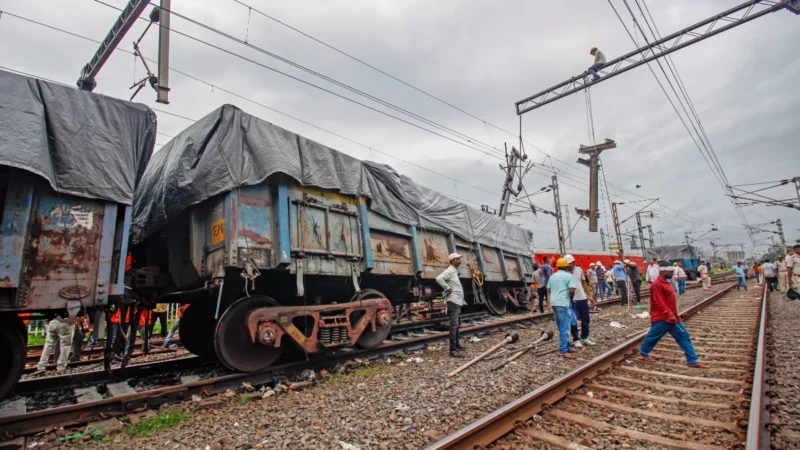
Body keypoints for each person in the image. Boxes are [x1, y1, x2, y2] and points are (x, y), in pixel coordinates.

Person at [638, 266, 705, 368]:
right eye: (671, 271)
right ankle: (643, 352)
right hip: (662, 317)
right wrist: (669, 313)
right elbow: (659, 301)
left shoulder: (666, 282)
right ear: (663, 271)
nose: (673, 273)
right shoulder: (656, 285)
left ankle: (692, 360)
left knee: (684, 336)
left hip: (672, 317)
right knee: (653, 336)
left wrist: (672, 314)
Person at [34, 303, 80, 374]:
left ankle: (41, 366)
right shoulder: (71, 302)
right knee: (65, 345)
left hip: (53, 322)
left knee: (48, 345)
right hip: (66, 322)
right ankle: (61, 367)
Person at [436, 253, 467, 357]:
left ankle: (457, 345)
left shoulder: (454, 271)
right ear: (453, 260)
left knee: (457, 324)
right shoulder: (449, 270)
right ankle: (452, 350)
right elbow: (439, 278)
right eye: (458, 259)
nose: (460, 260)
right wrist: (447, 288)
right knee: (454, 325)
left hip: (457, 301)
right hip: (453, 301)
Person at [547, 258, 577, 359]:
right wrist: (570, 299)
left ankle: (567, 347)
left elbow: (548, 289)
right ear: (566, 266)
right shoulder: (569, 276)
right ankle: (563, 350)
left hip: (554, 303)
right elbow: (572, 290)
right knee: (565, 327)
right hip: (563, 303)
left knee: (561, 327)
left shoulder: (552, 276)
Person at [565, 255, 596, 348]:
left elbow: (583, 283)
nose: (569, 265)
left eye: (570, 263)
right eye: (567, 264)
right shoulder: (564, 273)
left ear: (573, 262)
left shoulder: (579, 270)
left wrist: (589, 295)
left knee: (586, 319)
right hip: (571, 299)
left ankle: (584, 337)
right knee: (573, 321)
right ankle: (576, 339)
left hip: (582, 297)